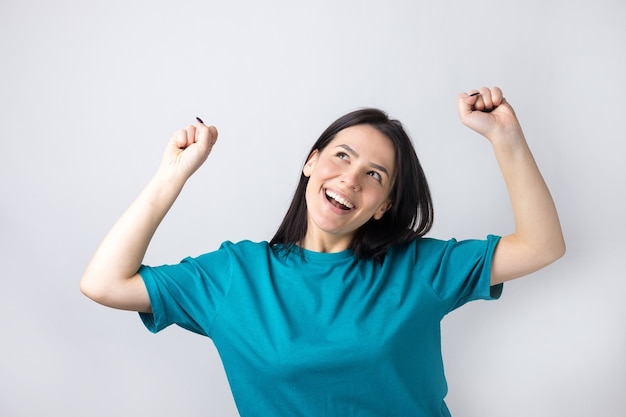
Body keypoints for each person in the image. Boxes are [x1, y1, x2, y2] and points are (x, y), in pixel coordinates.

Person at [80, 87, 565, 416]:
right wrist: (173, 175)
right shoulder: (236, 276)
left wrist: (506, 138)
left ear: (384, 206)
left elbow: (542, 246)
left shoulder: (420, 268)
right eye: (342, 156)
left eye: (374, 175)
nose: (350, 179)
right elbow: (104, 283)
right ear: (311, 162)